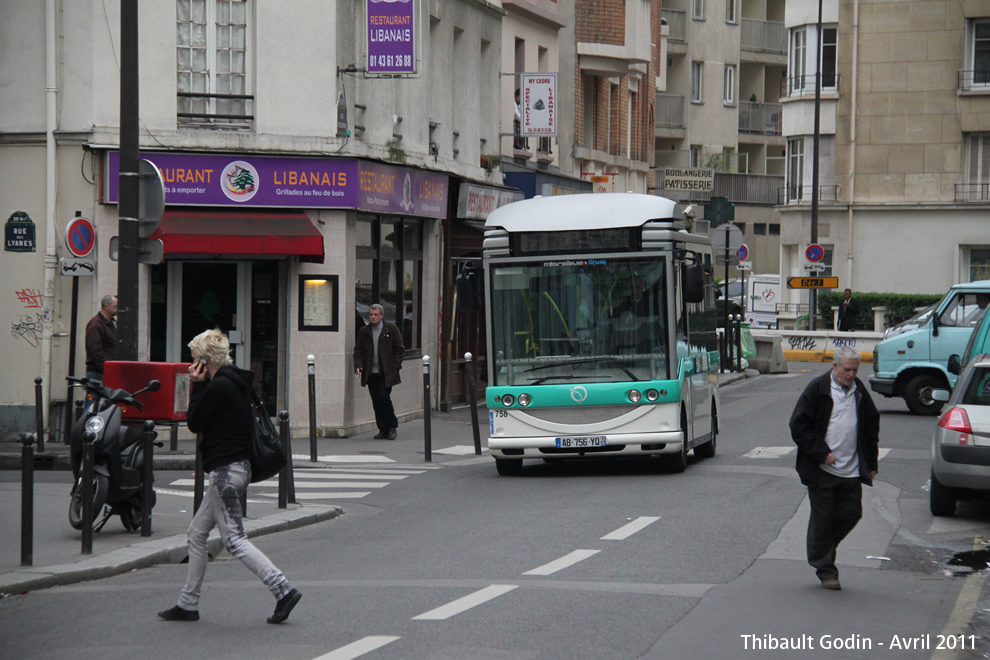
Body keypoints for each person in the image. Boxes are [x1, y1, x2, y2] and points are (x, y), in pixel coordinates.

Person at [159, 329, 301, 624]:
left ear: (204, 360)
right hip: (238, 468)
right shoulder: (238, 383)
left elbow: (195, 423)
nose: (191, 364)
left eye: (194, 359)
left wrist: (196, 387)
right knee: (197, 533)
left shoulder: (218, 387)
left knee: (234, 539)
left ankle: (282, 588)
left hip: (225, 472)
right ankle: (187, 603)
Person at [789, 345, 880, 591]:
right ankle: (826, 569)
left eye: (855, 370)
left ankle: (822, 548)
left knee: (852, 514)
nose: (851, 375)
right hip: (823, 470)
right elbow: (798, 426)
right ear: (835, 367)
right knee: (823, 519)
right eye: (847, 370)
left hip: (851, 469)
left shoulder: (859, 390)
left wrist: (871, 463)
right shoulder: (818, 389)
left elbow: (871, 428)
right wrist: (822, 453)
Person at [354, 303, 405, 439]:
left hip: (386, 372)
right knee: (376, 400)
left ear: (382, 316)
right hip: (371, 372)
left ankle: (392, 426)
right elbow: (358, 350)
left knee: (383, 397)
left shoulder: (391, 330)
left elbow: (399, 349)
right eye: (371, 314)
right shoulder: (364, 331)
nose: (373, 317)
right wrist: (358, 365)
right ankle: (382, 428)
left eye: (376, 314)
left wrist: (395, 366)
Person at [84, 295, 118, 381]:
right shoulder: (96, 324)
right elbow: (94, 348)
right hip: (98, 373)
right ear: (107, 306)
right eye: (116, 306)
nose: (118, 309)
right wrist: (105, 367)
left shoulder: (109, 323)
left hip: (105, 370)